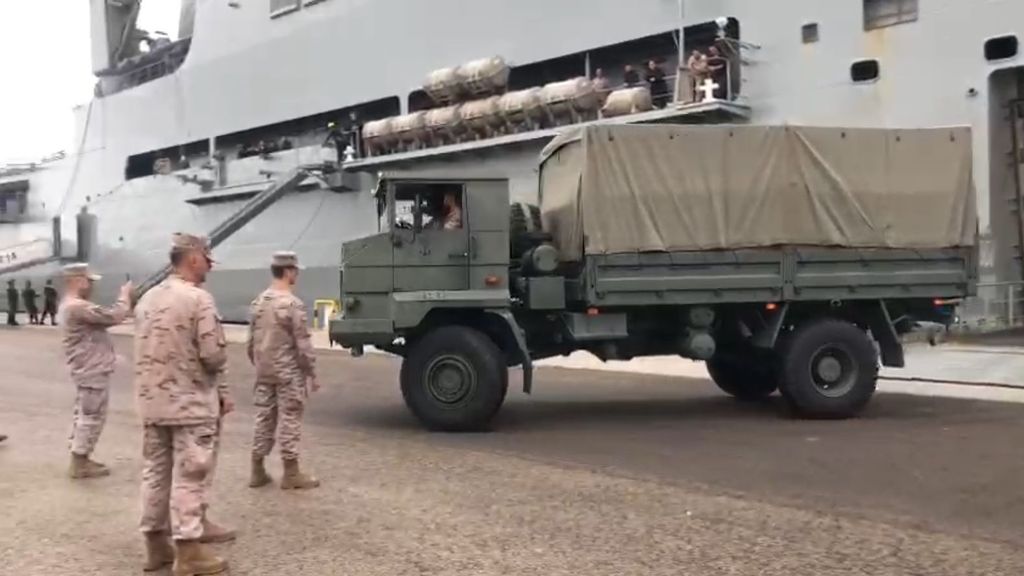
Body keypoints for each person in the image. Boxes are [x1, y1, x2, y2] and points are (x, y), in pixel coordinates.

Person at [134, 233, 231, 574]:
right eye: (207, 259)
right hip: (189, 405)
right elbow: (213, 355)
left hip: (152, 404)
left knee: (155, 473)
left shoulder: (146, 299)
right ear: (193, 258)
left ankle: (155, 546)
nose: (209, 266)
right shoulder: (198, 299)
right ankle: (188, 551)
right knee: (191, 475)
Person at [247, 251, 320, 490]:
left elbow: (250, 343)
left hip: (264, 371)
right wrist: (311, 373)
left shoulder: (258, 302)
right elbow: (303, 345)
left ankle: (257, 470)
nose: (297, 275)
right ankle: (291, 473)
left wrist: (259, 365)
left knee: (264, 418)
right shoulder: (292, 304)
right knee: (290, 418)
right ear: (288, 272)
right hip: (288, 373)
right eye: (296, 271)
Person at [60, 263, 132, 479]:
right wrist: (125, 296)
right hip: (91, 369)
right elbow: (114, 316)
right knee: (91, 416)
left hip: (87, 367)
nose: (92, 286)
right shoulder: (77, 306)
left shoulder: (71, 305)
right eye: (89, 281)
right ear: (77, 280)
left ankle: (80, 457)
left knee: (84, 414)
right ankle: (79, 463)